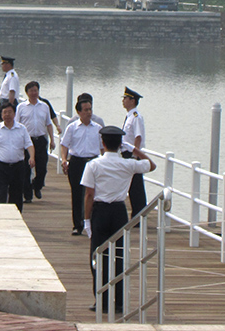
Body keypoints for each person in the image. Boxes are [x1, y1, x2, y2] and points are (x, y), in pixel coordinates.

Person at [80, 125, 156, 314]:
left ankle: (101, 301)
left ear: (103, 143)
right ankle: (120, 302)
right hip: (119, 212)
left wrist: (87, 220)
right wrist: (134, 150)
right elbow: (151, 165)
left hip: (100, 211)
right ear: (120, 144)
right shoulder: (128, 164)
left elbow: (89, 195)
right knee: (119, 257)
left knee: (98, 257)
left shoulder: (93, 165)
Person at [59, 98, 103, 235]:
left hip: (93, 162)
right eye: (85, 110)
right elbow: (64, 145)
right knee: (77, 194)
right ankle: (77, 225)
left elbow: (103, 148)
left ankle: (92, 222)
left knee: (94, 193)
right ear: (79, 112)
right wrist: (64, 160)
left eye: (90, 109)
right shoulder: (72, 127)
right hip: (77, 162)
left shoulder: (98, 128)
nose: (89, 112)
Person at [0, 102, 34, 212]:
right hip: (0, 167)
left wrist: (32, 157)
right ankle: (1, 218)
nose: (7, 115)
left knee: (16, 195)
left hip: (18, 166)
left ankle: (17, 219)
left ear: (14, 114)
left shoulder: (22, 129)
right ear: (1, 115)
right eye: (5, 112)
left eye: (10, 112)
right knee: (1, 194)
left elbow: (29, 145)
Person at [16, 81, 55, 202]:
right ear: (27, 93)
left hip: (41, 139)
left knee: (42, 167)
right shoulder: (21, 107)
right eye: (31, 91)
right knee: (26, 168)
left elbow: (49, 124)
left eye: (36, 90)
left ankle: (37, 185)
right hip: (27, 141)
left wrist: (52, 140)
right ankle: (27, 195)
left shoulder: (44, 106)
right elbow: (17, 124)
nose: (34, 93)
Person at [121, 86, 147, 218]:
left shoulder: (136, 117)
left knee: (136, 186)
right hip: (127, 153)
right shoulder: (129, 116)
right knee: (131, 187)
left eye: (125, 98)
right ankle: (136, 214)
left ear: (132, 100)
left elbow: (138, 137)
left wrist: (134, 156)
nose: (123, 100)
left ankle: (139, 215)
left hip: (132, 154)